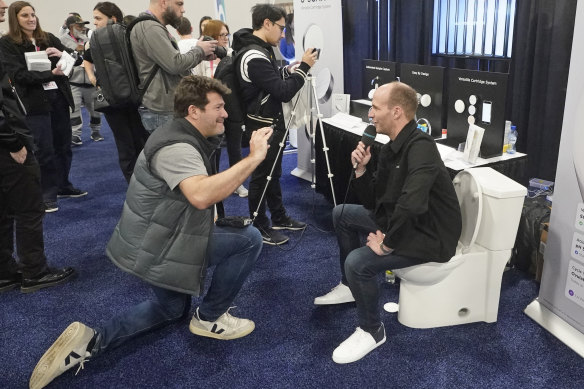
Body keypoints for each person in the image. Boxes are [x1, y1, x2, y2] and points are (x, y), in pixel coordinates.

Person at [29, 76, 271, 389]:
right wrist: (254, 157)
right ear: (193, 112)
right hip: (160, 245)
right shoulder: (178, 147)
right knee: (248, 240)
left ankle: (88, 342)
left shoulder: (181, 133)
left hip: (152, 240)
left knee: (170, 309)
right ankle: (210, 318)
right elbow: (199, 195)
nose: (225, 113)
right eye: (218, 107)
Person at [313, 82, 462, 364]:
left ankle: (372, 329)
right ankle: (349, 287)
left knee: (358, 262)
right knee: (341, 213)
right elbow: (375, 203)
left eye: (375, 108)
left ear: (396, 112)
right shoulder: (392, 146)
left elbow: (413, 203)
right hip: (404, 220)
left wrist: (387, 243)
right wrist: (362, 169)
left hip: (429, 233)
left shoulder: (421, 148)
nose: (370, 114)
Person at [233, 4, 318, 245]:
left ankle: (278, 217)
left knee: (272, 173)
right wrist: (303, 68)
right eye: (281, 28)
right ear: (267, 23)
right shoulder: (255, 55)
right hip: (263, 125)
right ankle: (259, 226)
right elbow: (282, 92)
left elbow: (266, 85)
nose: (283, 34)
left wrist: (287, 71)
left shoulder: (259, 50)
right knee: (262, 176)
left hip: (268, 122)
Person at [0, 38, 75, 294]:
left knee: (5, 208)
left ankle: (4, 271)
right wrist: (13, 142)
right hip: (8, 143)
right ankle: (34, 271)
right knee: (29, 207)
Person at [0, 1, 87, 213]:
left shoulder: (47, 37)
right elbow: (19, 75)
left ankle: (63, 185)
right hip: (34, 103)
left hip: (58, 99)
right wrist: (51, 75)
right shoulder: (8, 43)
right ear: (15, 18)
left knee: (63, 146)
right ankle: (46, 193)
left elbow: (76, 60)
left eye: (33, 14)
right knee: (44, 150)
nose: (31, 19)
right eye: (25, 16)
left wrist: (61, 54)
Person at [83, 2, 149, 182]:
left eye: (98, 18)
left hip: (134, 98)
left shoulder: (129, 35)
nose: (95, 23)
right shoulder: (95, 41)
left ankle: (147, 184)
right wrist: (92, 77)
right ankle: (135, 188)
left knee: (141, 142)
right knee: (125, 145)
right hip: (113, 101)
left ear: (113, 19)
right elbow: (86, 60)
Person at [130, 0, 216, 133]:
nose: (183, 10)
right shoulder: (150, 28)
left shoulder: (153, 27)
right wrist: (199, 51)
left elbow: (170, 64)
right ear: (163, 2)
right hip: (162, 111)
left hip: (163, 109)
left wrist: (200, 55)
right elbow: (175, 64)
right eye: (179, 4)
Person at [191, 19, 248, 198]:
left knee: (235, 147)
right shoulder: (200, 57)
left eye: (226, 34)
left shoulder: (232, 55)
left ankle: (237, 183)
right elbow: (196, 81)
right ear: (212, 37)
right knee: (212, 149)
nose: (225, 38)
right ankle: (211, 181)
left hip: (233, 108)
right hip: (209, 110)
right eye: (221, 35)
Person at [60, 14, 103, 146]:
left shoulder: (89, 38)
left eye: (84, 25)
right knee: (74, 110)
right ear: (71, 27)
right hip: (74, 81)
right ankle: (76, 135)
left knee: (96, 109)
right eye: (80, 25)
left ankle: (96, 131)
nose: (83, 28)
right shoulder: (63, 40)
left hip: (91, 82)